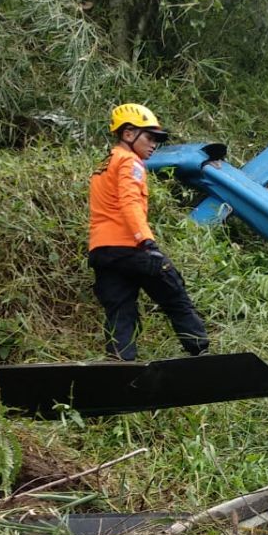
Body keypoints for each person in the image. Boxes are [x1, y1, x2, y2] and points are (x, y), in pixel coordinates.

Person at [88, 103, 209, 361]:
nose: (154, 144)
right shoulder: (130, 162)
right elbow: (129, 202)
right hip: (129, 247)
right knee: (173, 291)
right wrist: (147, 241)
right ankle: (201, 354)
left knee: (120, 312)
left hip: (102, 251)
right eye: (150, 137)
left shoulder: (104, 163)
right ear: (129, 134)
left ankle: (120, 367)